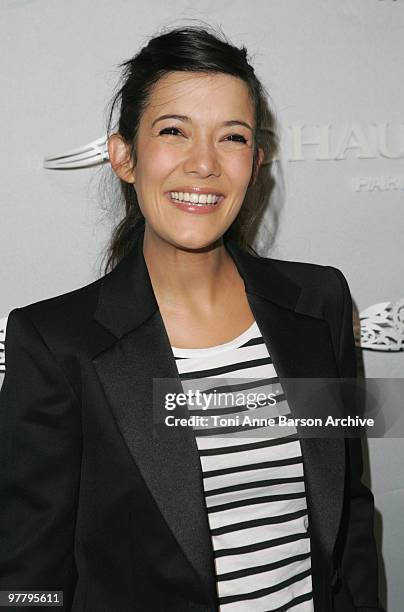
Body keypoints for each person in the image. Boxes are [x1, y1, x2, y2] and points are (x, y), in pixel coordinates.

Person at [0, 24, 385, 612]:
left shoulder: (318, 303)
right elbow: (29, 583)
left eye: (231, 137)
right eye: (174, 131)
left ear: (254, 163)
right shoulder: (57, 345)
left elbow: (350, 510)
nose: (204, 164)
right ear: (124, 156)